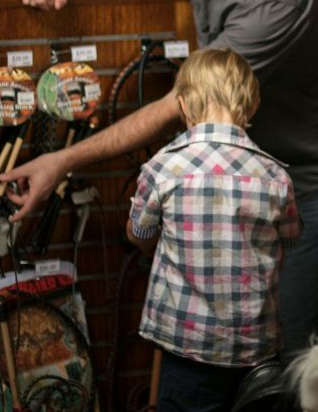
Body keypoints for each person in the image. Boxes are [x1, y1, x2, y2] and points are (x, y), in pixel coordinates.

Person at [2, 0, 318, 356]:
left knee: (304, 358)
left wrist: (63, 160)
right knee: (231, 354)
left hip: (306, 181)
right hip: (231, 179)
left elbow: (181, 103)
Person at [126, 47, 299, 412]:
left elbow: (138, 234)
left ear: (184, 106)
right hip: (256, 349)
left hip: (188, 345)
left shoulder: (162, 168)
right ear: (253, 105)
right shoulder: (276, 176)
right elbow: (290, 239)